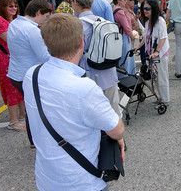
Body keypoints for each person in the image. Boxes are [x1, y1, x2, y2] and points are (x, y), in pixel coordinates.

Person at [23, 13, 125, 191]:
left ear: (46, 44)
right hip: (82, 182)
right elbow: (116, 130)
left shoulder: (32, 75)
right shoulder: (85, 88)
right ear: (81, 43)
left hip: (46, 179)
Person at [7, 0, 52, 146]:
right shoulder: (32, 30)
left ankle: (34, 140)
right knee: (37, 109)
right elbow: (44, 57)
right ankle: (37, 140)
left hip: (16, 73)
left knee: (31, 106)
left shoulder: (15, 23)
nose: (45, 20)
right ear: (38, 12)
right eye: (46, 16)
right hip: (29, 74)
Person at [71, 0, 122, 118]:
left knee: (95, 116)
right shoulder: (103, 21)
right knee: (114, 113)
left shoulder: (78, 26)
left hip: (91, 77)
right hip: (110, 74)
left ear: (75, 2)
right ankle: (118, 137)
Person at [0, 0, 25, 131]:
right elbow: (11, 40)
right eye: (10, 6)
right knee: (11, 88)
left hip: (17, 58)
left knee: (21, 87)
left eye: (15, 6)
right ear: (3, 7)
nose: (14, 9)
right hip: (7, 59)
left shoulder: (15, 19)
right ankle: (13, 121)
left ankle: (22, 115)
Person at [135, 0, 170, 108]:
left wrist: (157, 52)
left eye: (147, 8)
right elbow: (145, 36)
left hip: (160, 55)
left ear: (153, 8)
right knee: (155, 78)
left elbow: (163, 38)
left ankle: (165, 100)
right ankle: (159, 97)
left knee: (162, 78)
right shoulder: (147, 21)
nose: (145, 11)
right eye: (143, 9)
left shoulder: (160, 21)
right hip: (151, 55)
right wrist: (138, 47)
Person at [112, 0, 137, 77]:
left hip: (121, 35)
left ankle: (126, 74)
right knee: (125, 57)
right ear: (118, 0)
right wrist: (132, 36)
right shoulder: (120, 11)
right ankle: (125, 75)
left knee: (124, 57)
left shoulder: (115, 9)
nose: (125, 1)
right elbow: (126, 26)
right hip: (124, 36)